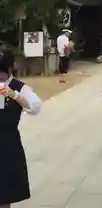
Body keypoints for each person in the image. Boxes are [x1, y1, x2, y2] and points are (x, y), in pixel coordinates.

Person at [0, 45, 42, 207]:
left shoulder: (19, 87)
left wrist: (15, 95)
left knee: (4, 193)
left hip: (7, 143)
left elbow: (35, 107)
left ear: (11, 67)